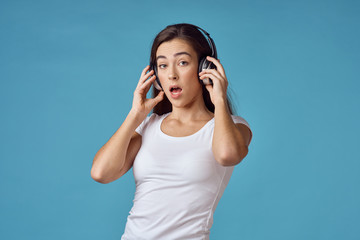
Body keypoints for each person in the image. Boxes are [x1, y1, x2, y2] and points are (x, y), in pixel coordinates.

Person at [91, 23, 253, 240]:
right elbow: (101, 173)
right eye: (163, 66)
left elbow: (227, 155)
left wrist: (220, 100)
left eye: (183, 63)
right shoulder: (148, 125)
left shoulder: (233, 126)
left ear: (205, 68)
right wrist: (135, 115)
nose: (171, 75)